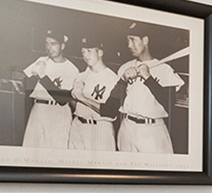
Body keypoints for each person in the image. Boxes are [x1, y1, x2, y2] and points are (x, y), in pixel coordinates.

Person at [108, 22, 183, 153]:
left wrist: (149, 78)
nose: (129, 45)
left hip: (153, 130)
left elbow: (170, 105)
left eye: (133, 40)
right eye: (127, 41)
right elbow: (111, 106)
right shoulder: (125, 67)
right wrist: (123, 81)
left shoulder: (164, 69)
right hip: (127, 127)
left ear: (145, 40)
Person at [21, 29, 79, 149]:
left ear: (62, 46)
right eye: (47, 43)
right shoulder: (41, 60)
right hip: (38, 108)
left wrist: (42, 75)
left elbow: (62, 99)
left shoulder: (71, 69)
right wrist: (34, 74)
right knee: (31, 149)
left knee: (56, 152)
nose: (49, 47)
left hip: (58, 112)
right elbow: (26, 88)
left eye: (53, 44)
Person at [68, 38, 119, 151]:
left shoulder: (113, 78)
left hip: (100, 128)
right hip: (78, 124)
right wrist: (74, 97)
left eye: (89, 51)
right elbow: (73, 105)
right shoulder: (80, 76)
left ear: (100, 52)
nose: (85, 55)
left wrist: (81, 97)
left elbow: (110, 112)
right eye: (83, 52)